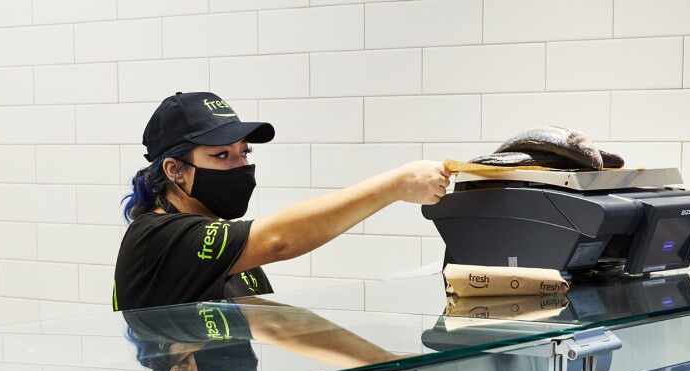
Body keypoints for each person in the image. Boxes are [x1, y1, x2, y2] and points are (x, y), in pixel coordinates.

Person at [113, 91, 451, 311]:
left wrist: (379, 364)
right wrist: (397, 185)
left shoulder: (220, 241)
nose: (240, 165)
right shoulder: (157, 238)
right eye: (221, 155)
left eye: (243, 152)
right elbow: (279, 240)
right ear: (176, 171)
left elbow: (279, 324)